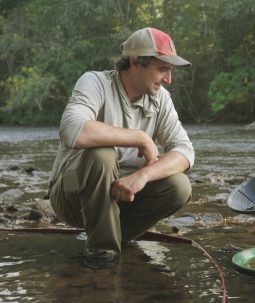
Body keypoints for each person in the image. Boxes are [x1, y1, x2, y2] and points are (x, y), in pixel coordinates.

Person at [48, 27, 194, 269]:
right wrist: (140, 138)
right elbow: (72, 129)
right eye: (163, 69)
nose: (169, 79)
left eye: (170, 71)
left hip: (122, 198)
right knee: (101, 154)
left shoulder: (161, 99)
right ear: (135, 62)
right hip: (72, 197)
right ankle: (102, 256)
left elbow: (185, 152)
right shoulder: (95, 82)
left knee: (180, 186)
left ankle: (111, 234)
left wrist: (142, 175)